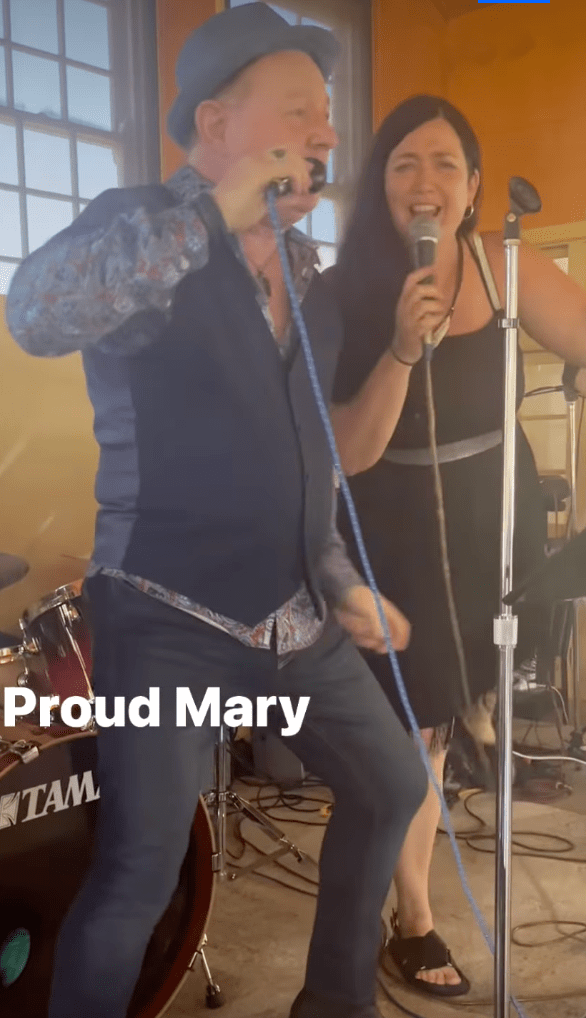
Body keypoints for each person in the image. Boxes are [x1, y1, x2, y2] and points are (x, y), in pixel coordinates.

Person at [5, 7, 428, 1018]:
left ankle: (333, 1003)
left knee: (392, 783)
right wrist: (205, 220)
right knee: (139, 868)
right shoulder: (143, 222)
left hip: (297, 619)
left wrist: (339, 580)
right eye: (298, 109)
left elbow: (305, 464)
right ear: (217, 122)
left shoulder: (308, 280)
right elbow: (36, 313)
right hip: (165, 616)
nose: (326, 131)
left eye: (326, 113)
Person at [327, 94, 586, 998]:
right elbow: (346, 453)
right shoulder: (344, 291)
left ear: (474, 187)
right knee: (412, 731)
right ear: (381, 185)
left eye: (445, 163)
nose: (425, 180)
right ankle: (414, 917)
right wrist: (402, 346)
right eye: (404, 163)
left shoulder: (503, 263)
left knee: (453, 715)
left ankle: (407, 895)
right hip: (392, 520)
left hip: (493, 519)